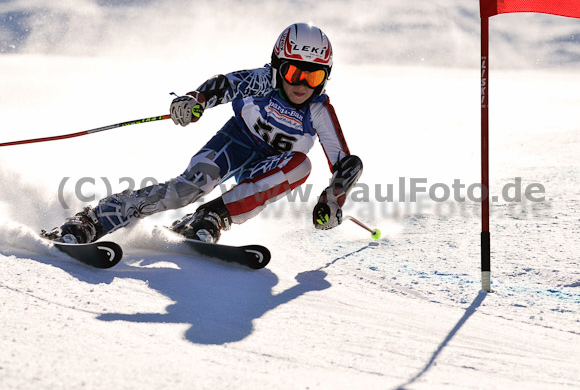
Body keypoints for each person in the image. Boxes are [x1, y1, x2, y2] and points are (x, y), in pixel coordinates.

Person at [43, 23, 363, 244]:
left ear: (325, 78)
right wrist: (196, 100)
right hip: (234, 143)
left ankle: (212, 217)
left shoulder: (319, 110)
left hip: (268, 167)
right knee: (187, 189)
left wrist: (333, 200)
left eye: (314, 76)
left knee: (301, 166)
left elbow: (346, 165)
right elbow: (225, 85)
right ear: (278, 66)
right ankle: (95, 219)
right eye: (294, 72)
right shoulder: (263, 81)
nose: (301, 84)